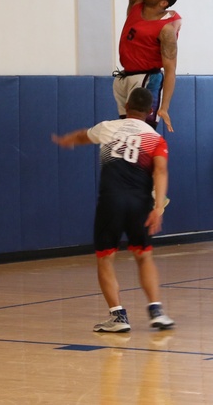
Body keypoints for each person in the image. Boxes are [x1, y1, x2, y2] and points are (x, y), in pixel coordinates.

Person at [52, 87, 175, 333]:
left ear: (126, 107)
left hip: (111, 202)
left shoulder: (108, 127)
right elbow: (160, 171)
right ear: (151, 112)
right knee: (144, 256)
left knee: (106, 259)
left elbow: (81, 136)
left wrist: (66, 140)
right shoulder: (155, 139)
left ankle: (118, 317)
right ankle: (156, 310)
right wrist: (158, 207)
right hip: (140, 204)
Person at [110, 0, 182, 132]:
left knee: (140, 134)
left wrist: (165, 106)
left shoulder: (166, 29)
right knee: (126, 133)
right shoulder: (137, 2)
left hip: (147, 78)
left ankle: (154, 166)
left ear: (163, 3)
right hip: (125, 76)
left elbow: (170, 70)